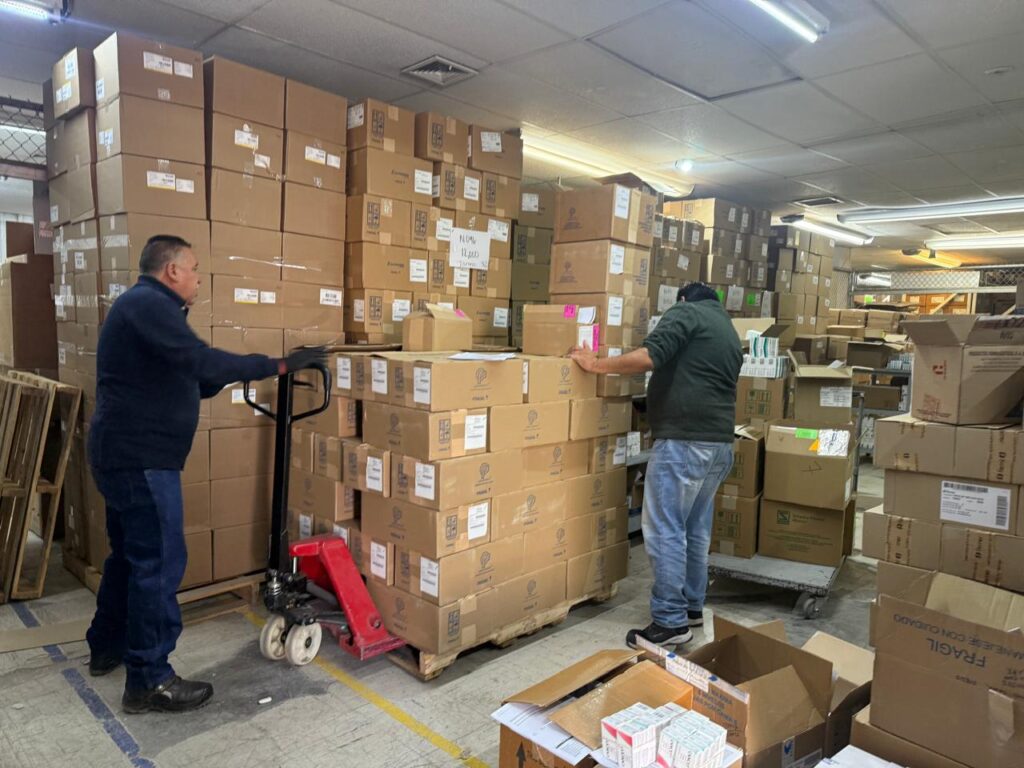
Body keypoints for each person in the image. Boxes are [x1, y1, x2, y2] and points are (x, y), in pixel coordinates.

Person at [86, 235, 326, 714]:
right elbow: (197, 361)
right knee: (158, 564)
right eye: (194, 268)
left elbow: (190, 375)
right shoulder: (149, 304)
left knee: (131, 558)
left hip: (124, 454)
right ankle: (149, 680)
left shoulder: (148, 310)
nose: (198, 278)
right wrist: (277, 365)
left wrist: (224, 374)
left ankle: (108, 645)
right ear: (172, 270)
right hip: (142, 459)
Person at [570, 281, 742, 648]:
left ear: (683, 299)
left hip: (684, 443)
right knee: (694, 529)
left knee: (664, 529)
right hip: (719, 445)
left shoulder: (685, 312)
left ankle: (669, 621)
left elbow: (648, 357)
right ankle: (691, 607)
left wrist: (595, 364)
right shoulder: (726, 328)